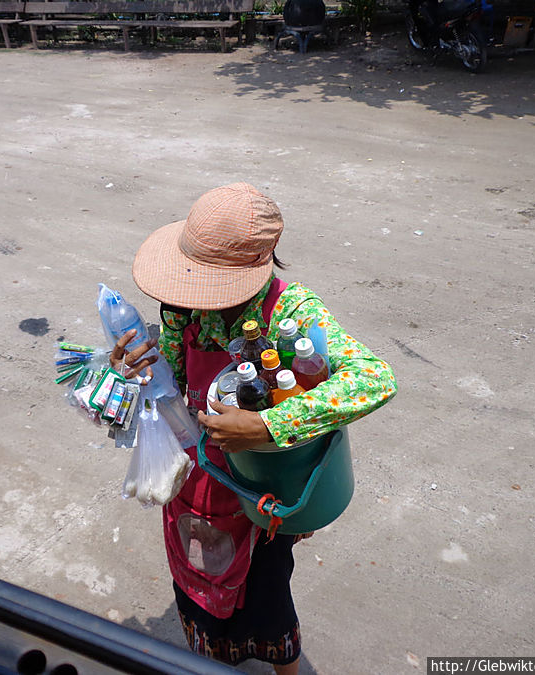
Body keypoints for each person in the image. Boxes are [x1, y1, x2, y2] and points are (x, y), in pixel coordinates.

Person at [110, 183, 397, 673]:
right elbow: (174, 384)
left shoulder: (292, 310)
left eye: (211, 281)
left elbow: (375, 378)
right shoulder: (182, 313)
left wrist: (266, 425)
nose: (199, 294)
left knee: (265, 598)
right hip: (197, 483)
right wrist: (137, 371)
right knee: (198, 592)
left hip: (262, 495)